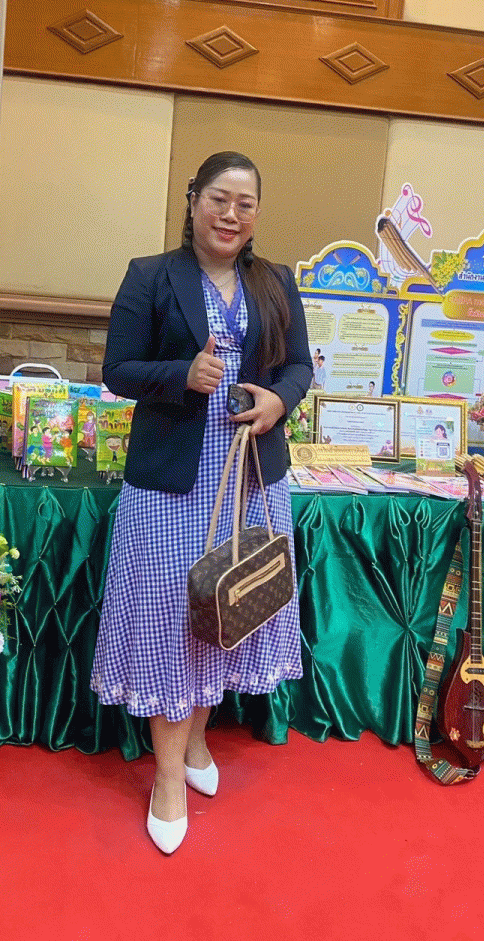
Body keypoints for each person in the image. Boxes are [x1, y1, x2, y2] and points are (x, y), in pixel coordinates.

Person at [90, 151, 312, 854]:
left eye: (245, 203)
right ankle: (167, 776)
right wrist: (180, 374)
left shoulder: (275, 281)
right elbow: (117, 370)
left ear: (256, 214)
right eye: (219, 198)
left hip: (250, 475)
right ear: (193, 201)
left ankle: (194, 741)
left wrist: (278, 401)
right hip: (169, 483)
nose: (230, 215)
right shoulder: (150, 275)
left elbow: (299, 365)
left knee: (224, 610)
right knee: (169, 619)